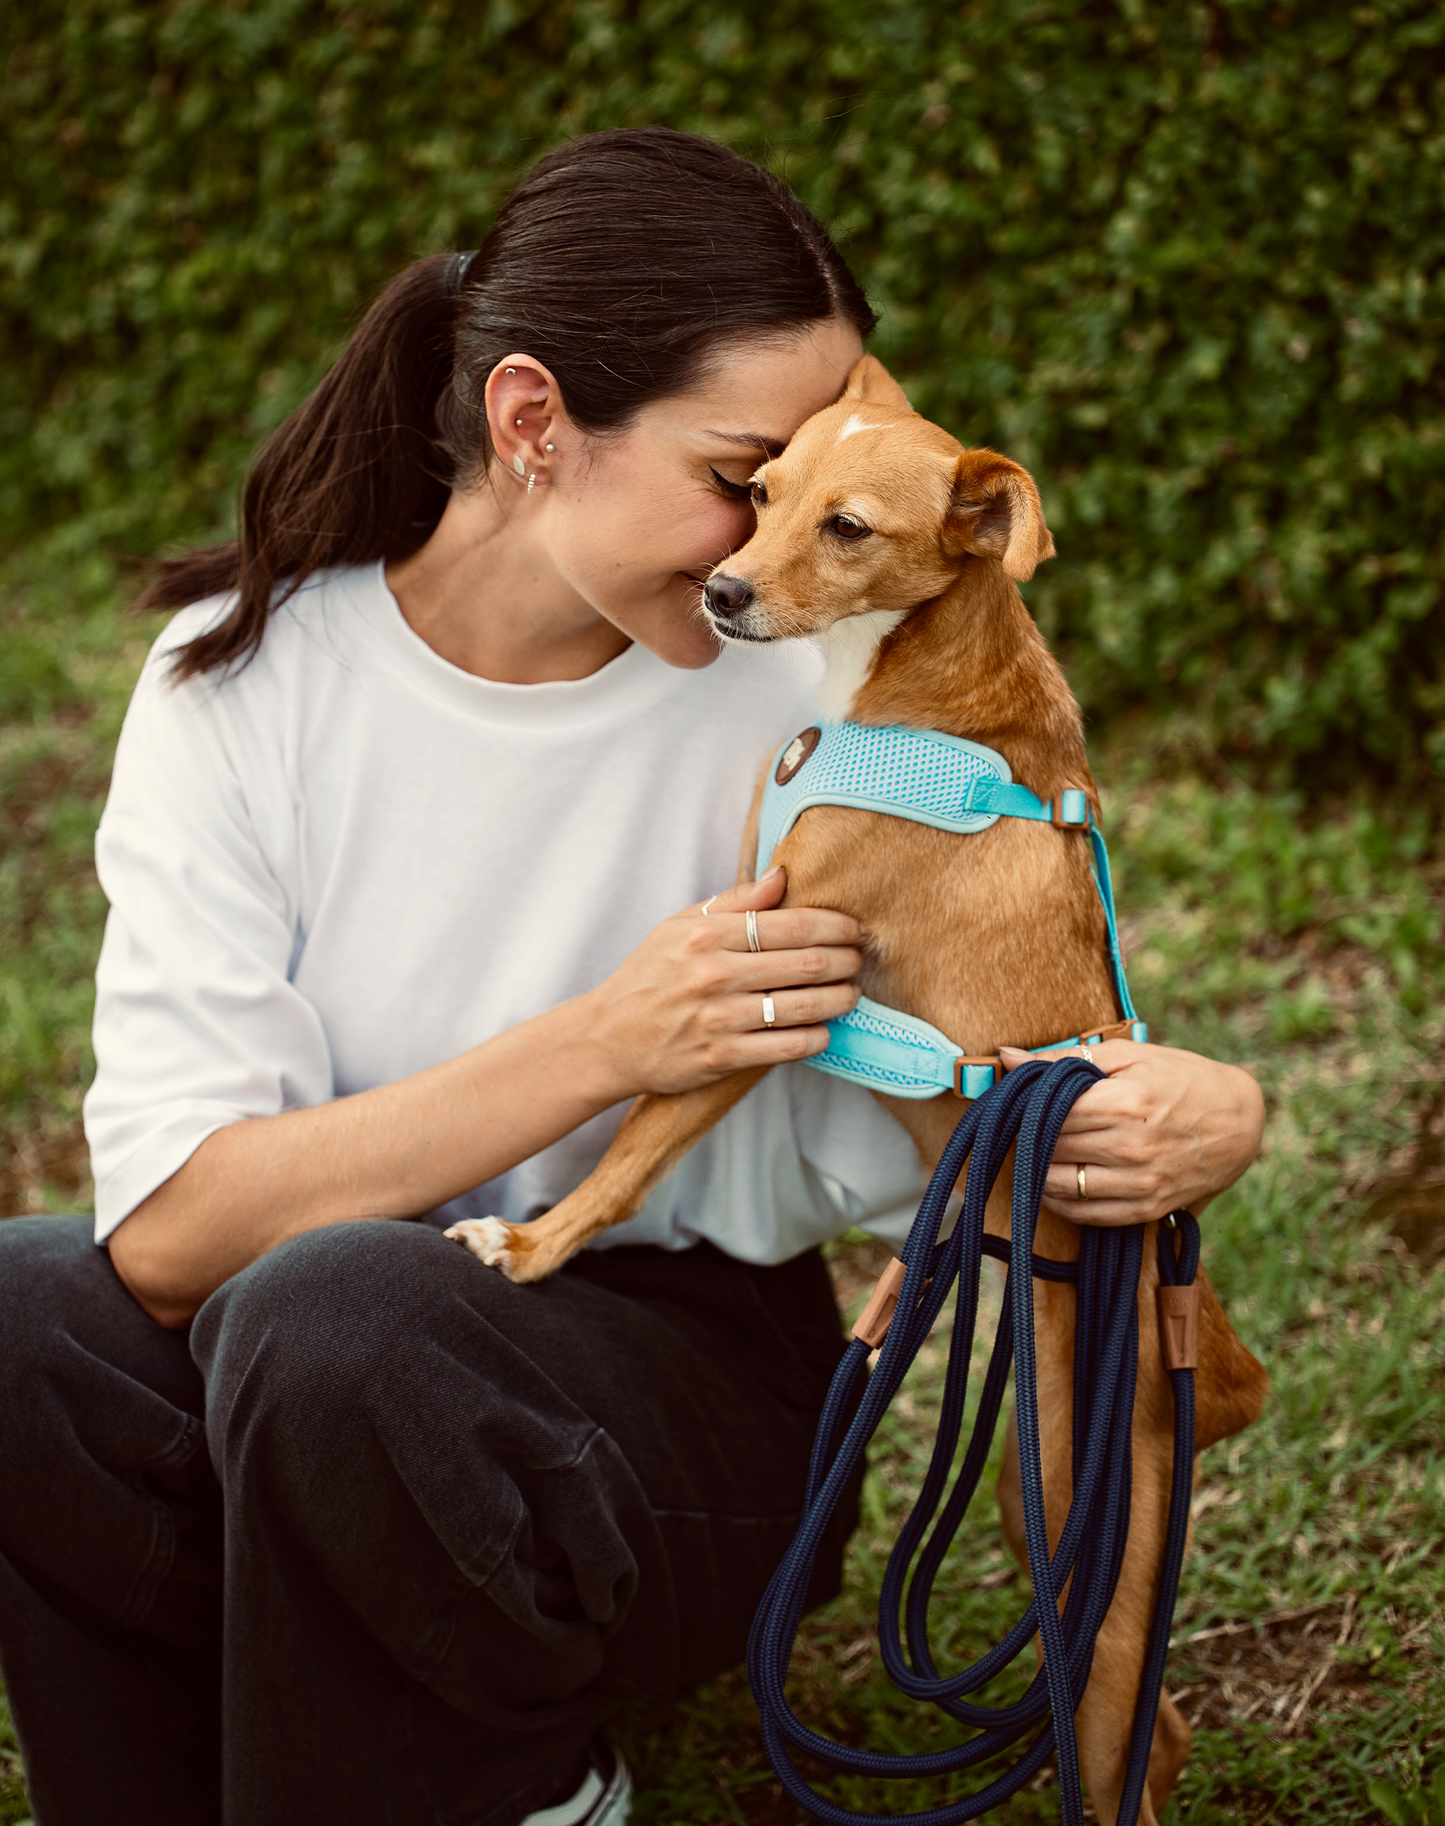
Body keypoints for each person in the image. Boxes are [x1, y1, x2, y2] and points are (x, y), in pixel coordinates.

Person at [0, 128, 1264, 1826]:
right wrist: (605, 1037)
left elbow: (998, 1039)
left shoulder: (825, 710)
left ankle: (512, 1769)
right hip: (312, 1366)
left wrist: (1201, 1103)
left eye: (813, 482)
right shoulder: (239, 685)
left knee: (344, 1317)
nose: (768, 543)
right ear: (532, 425)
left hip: (667, 1406)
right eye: (744, 473)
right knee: (28, 1318)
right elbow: (162, 1239)